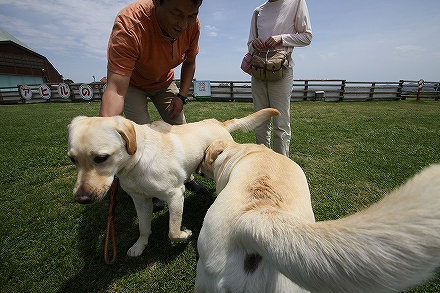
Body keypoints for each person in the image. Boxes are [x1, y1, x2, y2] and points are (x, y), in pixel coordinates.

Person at [100, 0, 207, 211]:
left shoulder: (193, 25)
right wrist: (104, 138)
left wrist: (181, 97)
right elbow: (116, 89)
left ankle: (186, 177)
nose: (183, 25)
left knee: (180, 129)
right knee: (142, 139)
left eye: (191, 15)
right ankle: (151, 189)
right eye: (177, 13)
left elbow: (190, 62)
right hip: (132, 84)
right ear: (157, 2)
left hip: (165, 81)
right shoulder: (130, 24)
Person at [247, 0, 312, 156]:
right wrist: (254, 44)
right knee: (260, 122)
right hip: (259, 70)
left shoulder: (296, 2)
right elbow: (249, 44)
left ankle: (281, 167)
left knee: (281, 124)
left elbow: (307, 37)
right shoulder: (258, 11)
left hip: (281, 69)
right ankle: (263, 163)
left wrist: (281, 38)